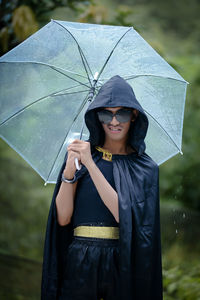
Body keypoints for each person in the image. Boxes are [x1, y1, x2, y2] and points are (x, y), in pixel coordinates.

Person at [41, 75, 163, 300]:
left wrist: (90, 164)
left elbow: (125, 216)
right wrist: (69, 172)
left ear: (134, 116)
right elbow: (63, 219)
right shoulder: (79, 157)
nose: (114, 121)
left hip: (122, 265)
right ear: (96, 116)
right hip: (79, 261)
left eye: (122, 113)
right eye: (106, 113)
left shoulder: (145, 168)